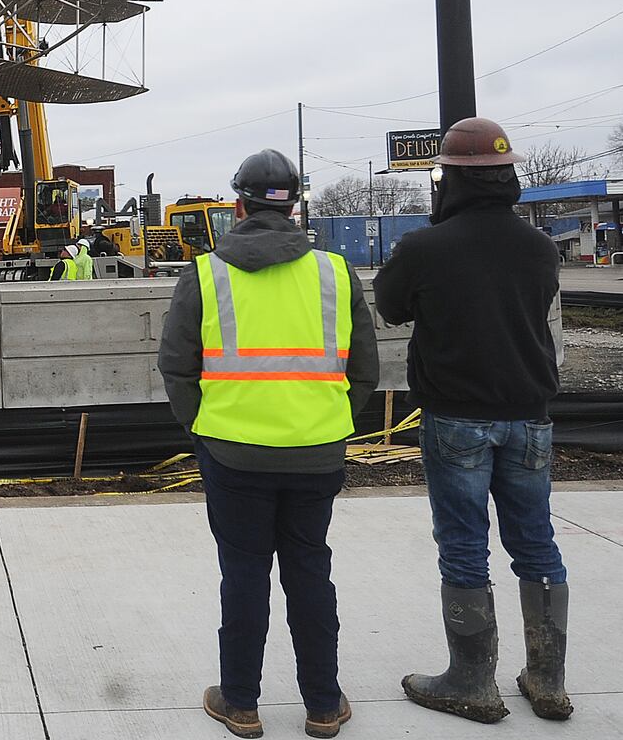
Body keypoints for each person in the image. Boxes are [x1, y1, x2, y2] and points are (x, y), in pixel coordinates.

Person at [159, 149, 379, 739]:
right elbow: (364, 372)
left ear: (238, 206)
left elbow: (176, 369)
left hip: (231, 453)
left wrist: (206, 427)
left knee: (245, 573)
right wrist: (327, 420)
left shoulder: (204, 274)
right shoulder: (335, 272)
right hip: (317, 452)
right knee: (310, 568)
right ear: (296, 205)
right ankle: (324, 705)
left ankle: (240, 703)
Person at [374, 117, 570, 724]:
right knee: (536, 541)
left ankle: (470, 681)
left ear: (449, 179)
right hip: (529, 417)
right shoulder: (538, 246)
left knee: (464, 546)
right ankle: (547, 681)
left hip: (458, 416)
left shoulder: (426, 247)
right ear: (508, 177)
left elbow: (389, 303)